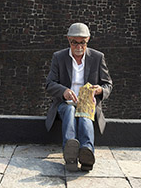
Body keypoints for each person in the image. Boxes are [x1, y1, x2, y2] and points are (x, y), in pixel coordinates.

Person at [45, 23, 113, 171]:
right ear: (68, 40)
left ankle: (87, 154)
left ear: (88, 40)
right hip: (65, 103)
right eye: (74, 42)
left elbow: (108, 85)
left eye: (82, 42)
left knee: (84, 115)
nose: (78, 46)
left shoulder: (97, 57)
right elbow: (49, 84)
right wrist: (64, 91)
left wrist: (99, 90)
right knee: (69, 110)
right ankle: (70, 153)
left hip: (88, 104)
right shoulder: (59, 57)